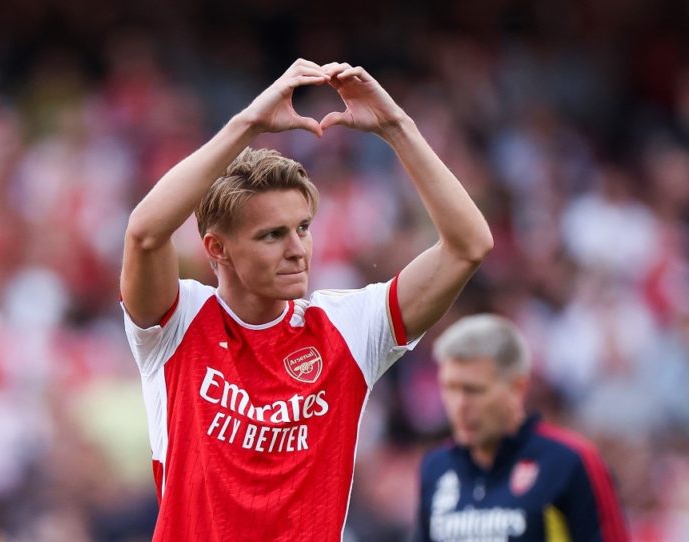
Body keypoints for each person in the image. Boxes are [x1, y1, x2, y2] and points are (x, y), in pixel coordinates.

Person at [120, 58, 493, 542]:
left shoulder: (348, 327)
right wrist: (248, 124)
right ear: (218, 249)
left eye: (303, 228)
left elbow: (469, 245)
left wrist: (398, 129)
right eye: (272, 235)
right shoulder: (177, 323)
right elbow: (146, 235)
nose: (298, 250)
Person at [415, 314, 630, 542]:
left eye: (473, 390)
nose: (459, 405)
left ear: (517, 388)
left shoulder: (570, 462)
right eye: (449, 388)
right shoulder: (436, 467)